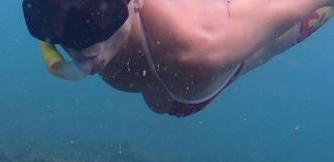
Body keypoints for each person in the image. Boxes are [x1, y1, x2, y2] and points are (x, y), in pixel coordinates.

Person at [22, 0, 333, 116]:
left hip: (189, 74)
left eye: (97, 20)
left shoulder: (202, 44)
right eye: (48, 22)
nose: (85, 51)